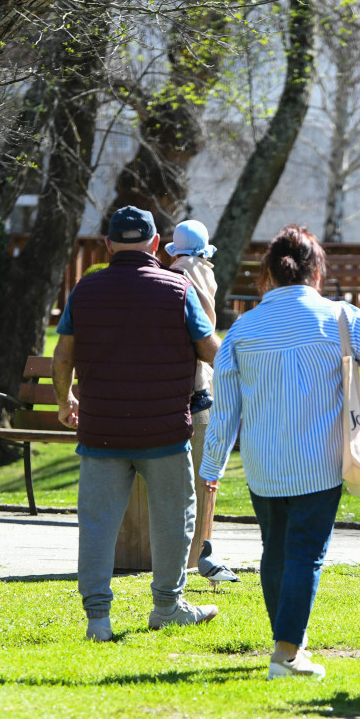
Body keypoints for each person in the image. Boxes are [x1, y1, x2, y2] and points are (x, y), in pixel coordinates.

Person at [199, 225, 360, 680]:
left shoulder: (243, 328)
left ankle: (287, 646)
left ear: (268, 274)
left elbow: (225, 407)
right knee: (305, 555)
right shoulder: (339, 318)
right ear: (317, 271)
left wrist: (211, 465)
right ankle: (286, 656)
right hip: (319, 462)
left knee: (275, 550)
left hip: (263, 462)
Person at [52, 205, 223, 641]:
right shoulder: (177, 288)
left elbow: (63, 355)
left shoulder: (85, 291)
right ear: (153, 244)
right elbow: (209, 350)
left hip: (101, 430)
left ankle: (97, 619)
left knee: (97, 523)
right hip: (163, 431)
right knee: (174, 518)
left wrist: (64, 399)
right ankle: (167, 607)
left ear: (108, 245)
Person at [166, 219, 219, 563]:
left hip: (176, 387)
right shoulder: (206, 274)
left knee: (177, 482)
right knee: (202, 475)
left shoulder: (174, 275)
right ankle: (199, 549)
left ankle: (180, 553)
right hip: (202, 388)